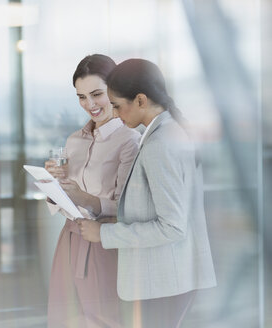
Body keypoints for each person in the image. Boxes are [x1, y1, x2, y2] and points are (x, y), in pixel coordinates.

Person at [78, 58, 217, 327]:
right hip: (168, 280)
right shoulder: (165, 134)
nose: (115, 114)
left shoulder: (160, 144)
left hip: (163, 282)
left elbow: (172, 227)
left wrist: (104, 234)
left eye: (117, 106)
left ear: (141, 100)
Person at [45, 54, 140, 327]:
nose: (89, 104)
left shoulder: (129, 141)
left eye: (96, 94)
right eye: (81, 97)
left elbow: (126, 205)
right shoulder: (73, 140)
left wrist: (84, 198)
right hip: (69, 239)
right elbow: (63, 201)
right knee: (63, 317)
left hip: (103, 241)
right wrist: (54, 186)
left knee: (104, 320)